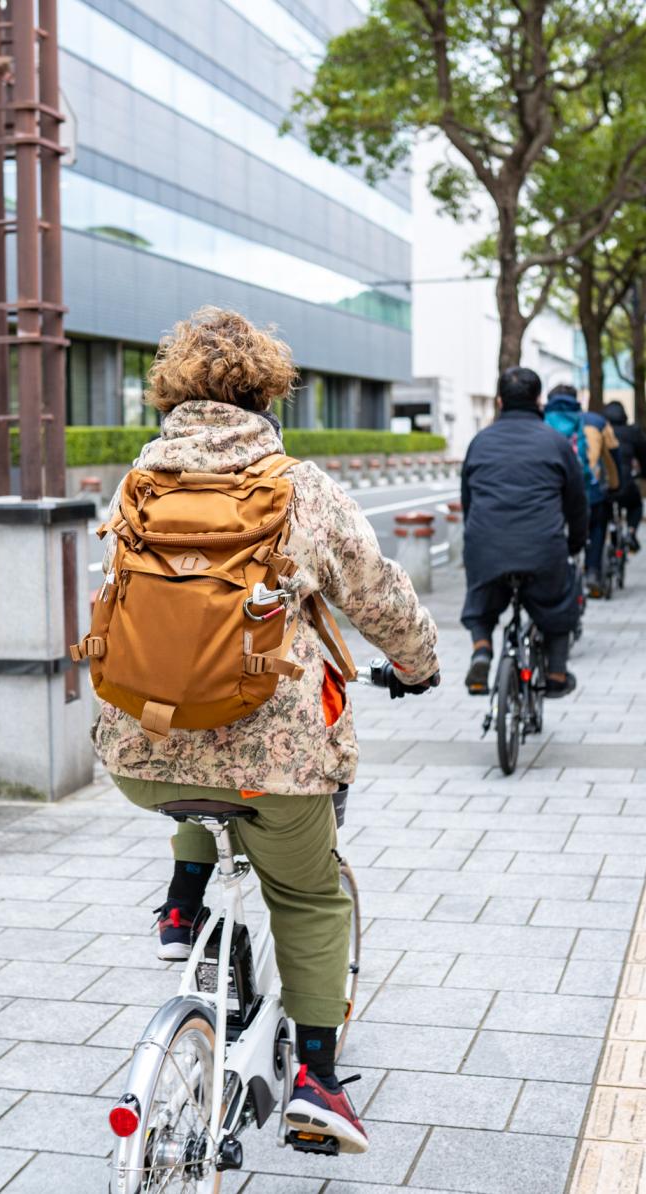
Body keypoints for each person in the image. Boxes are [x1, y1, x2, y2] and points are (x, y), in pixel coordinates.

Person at [93, 307, 440, 1155]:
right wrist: (421, 663)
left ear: (174, 391)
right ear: (266, 392)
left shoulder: (138, 484)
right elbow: (378, 594)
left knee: (190, 751)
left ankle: (183, 908)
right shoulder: (299, 485)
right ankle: (318, 1084)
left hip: (139, 754)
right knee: (308, 896)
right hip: (274, 763)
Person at [460, 368, 589, 698]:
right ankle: (557, 673)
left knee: (481, 598)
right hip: (542, 549)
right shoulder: (557, 443)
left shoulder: (479, 442)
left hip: (485, 544)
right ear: (538, 400)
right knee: (560, 600)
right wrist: (574, 543)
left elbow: (469, 501)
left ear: (500, 401)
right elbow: (577, 503)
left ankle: (482, 650)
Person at [543, 385, 621, 597]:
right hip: (587, 491)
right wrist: (615, 486)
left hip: (548, 495)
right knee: (597, 523)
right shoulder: (595, 422)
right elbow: (611, 460)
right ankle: (593, 571)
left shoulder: (539, 422)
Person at [602, 400, 646, 552]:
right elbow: (645, 457)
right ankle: (631, 532)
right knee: (636, 505)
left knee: (603, 509)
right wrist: (645, 474)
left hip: (604, 484)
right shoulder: (633, 432)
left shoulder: (600, 431)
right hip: (626, 483)